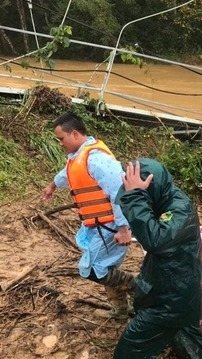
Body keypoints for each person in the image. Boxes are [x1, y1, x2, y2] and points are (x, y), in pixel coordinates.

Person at [91, 159, 202, 359]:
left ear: (151, 186)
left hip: (174, 295)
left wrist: (135, 197)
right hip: (174, 286)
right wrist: (136, 196)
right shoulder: (166, 198)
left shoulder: (179, 209)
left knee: (134, 338)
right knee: (185, 332)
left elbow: (155, 239)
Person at [41, 112, 135, 320]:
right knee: (107, 267)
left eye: (61, 139)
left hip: (110, 225)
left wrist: (123, 228)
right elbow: (67, 173)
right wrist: (52, 186)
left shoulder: (98, 159)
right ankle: (120, 311)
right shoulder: (78, 157)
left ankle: (140, 290)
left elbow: (119, 191)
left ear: (74, 134)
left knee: (93, 269)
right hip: (98, 224)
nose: (60, 143)